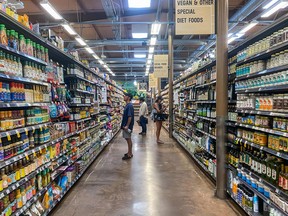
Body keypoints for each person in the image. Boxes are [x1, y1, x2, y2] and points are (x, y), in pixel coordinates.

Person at [121, 92, 134, 160]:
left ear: (128, 97)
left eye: (125, 95)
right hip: (125, 125)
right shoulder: (127, 105)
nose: (124, 96)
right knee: (127, 139)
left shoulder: (129, 106)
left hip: (127, 126)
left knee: (128, 139)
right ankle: (129, 152)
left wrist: (127, 126)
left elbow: (130, 117)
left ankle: (129, 154)